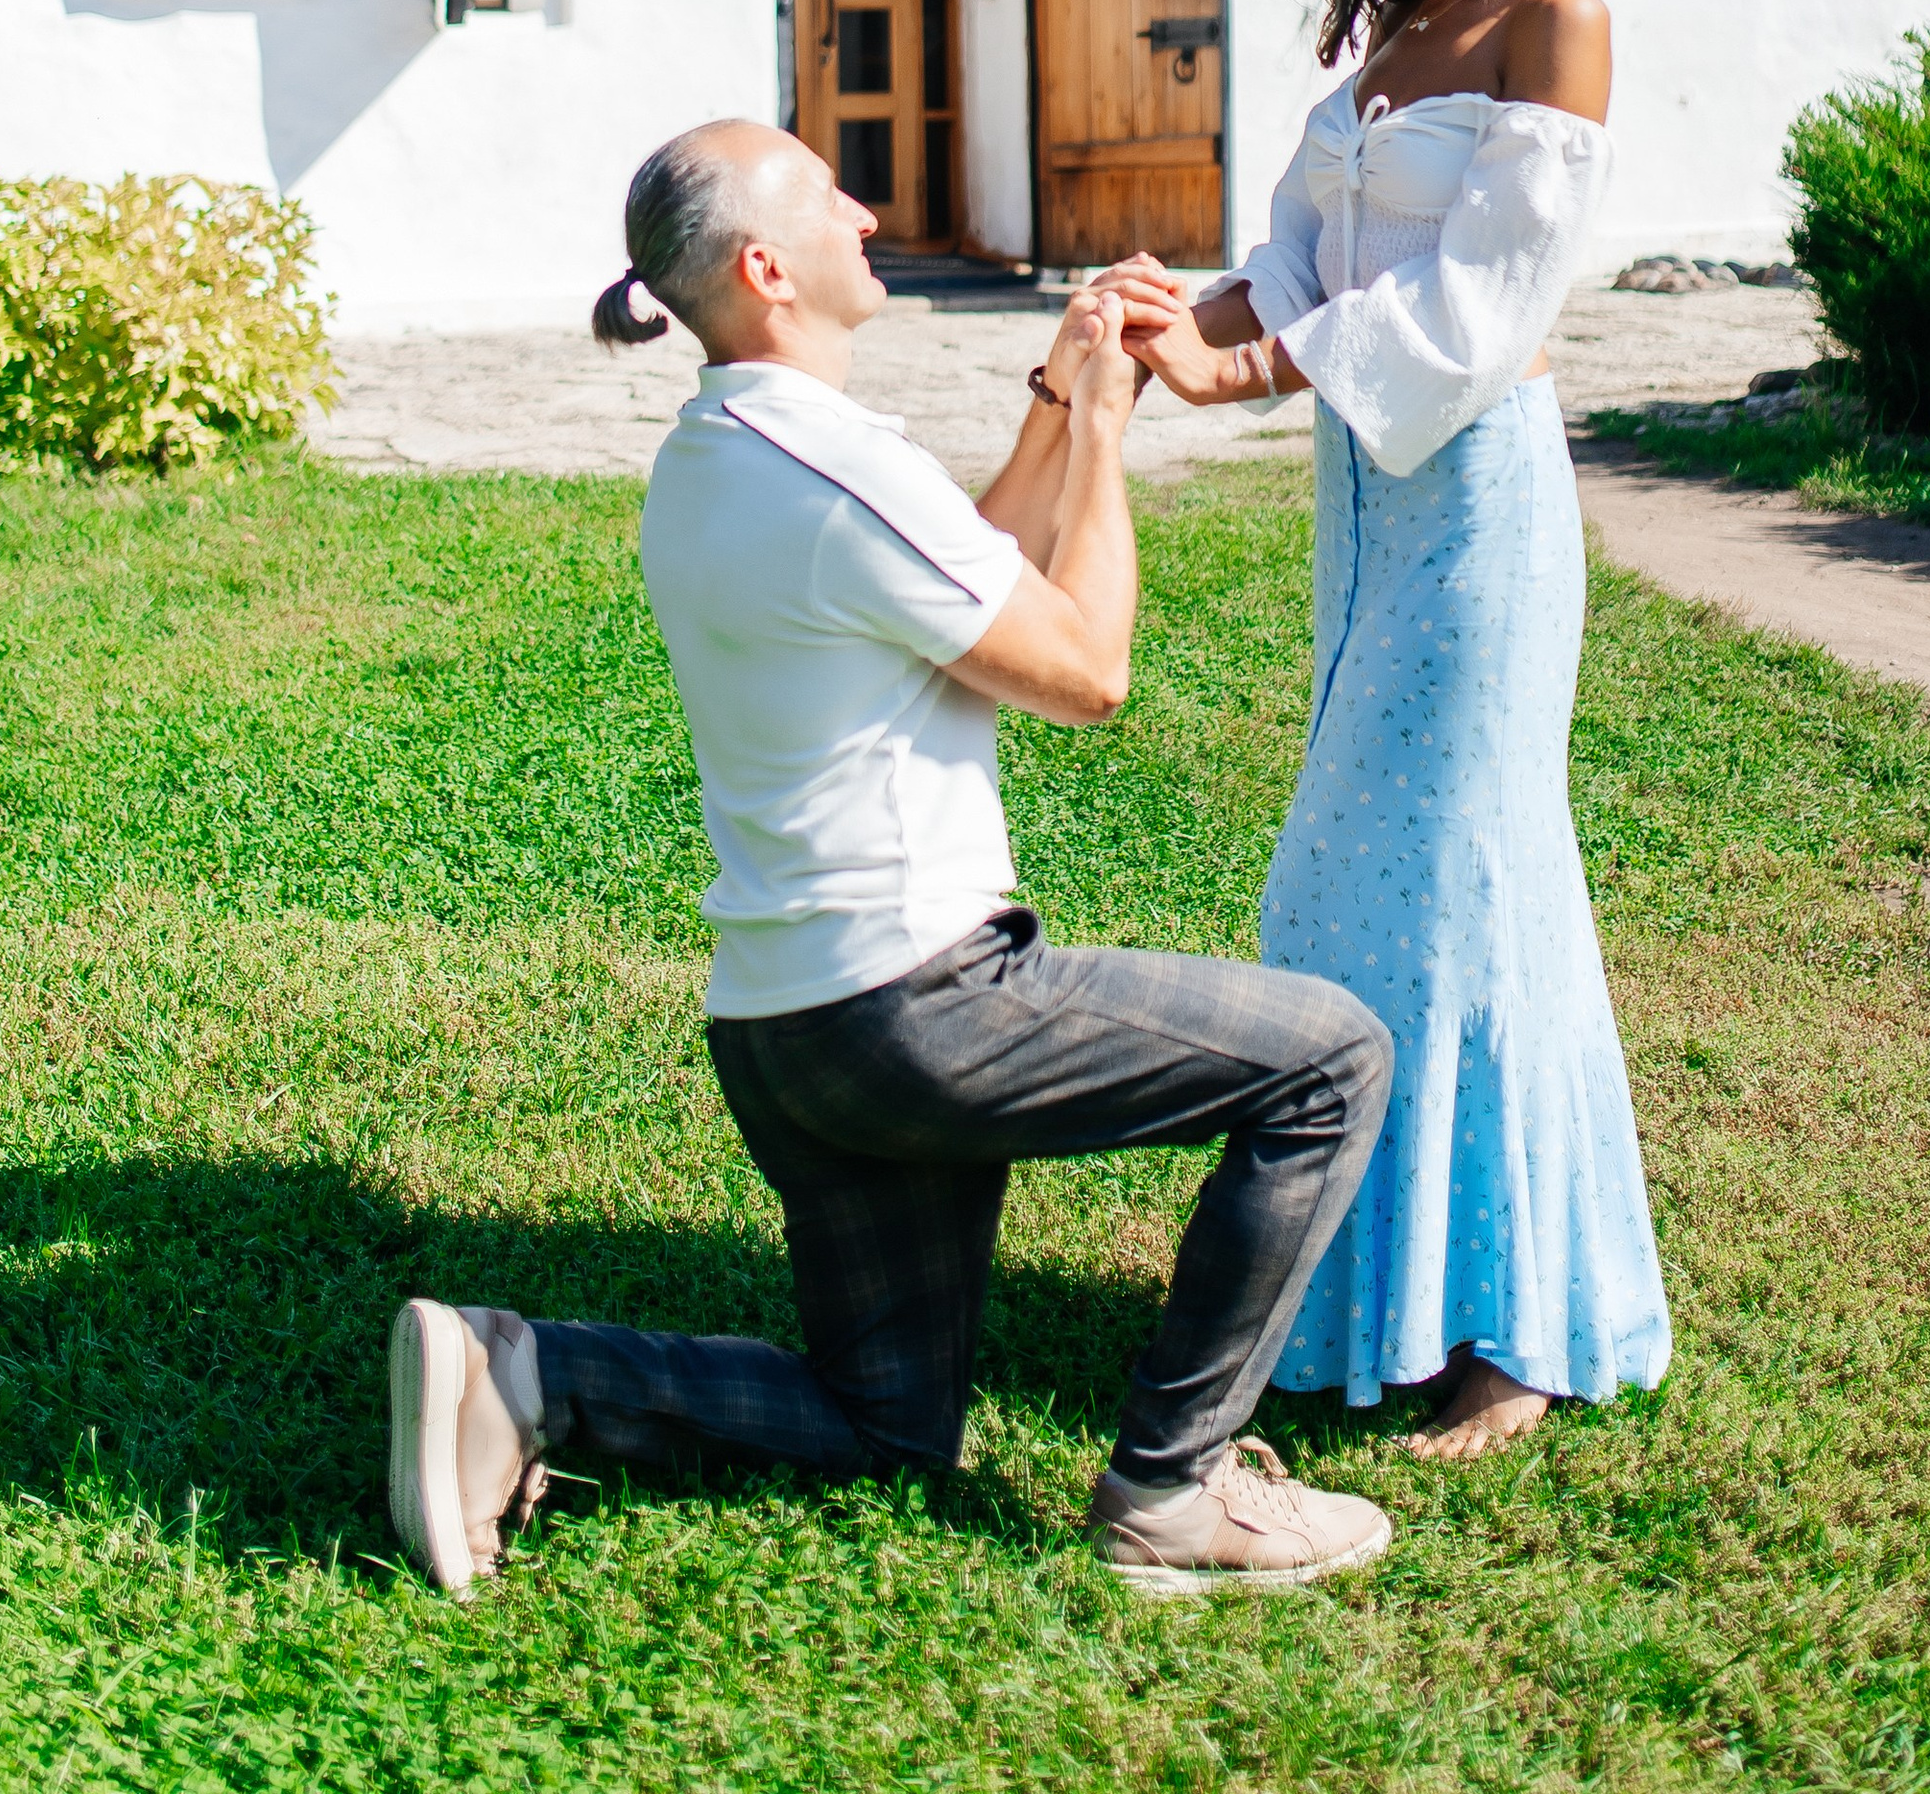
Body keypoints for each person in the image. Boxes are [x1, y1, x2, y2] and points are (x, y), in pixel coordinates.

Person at [389, 120, 1397, 1597]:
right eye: (827, 197)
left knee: (883, 1426)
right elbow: (1079, 669)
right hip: (923, 1010)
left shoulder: (720, 453)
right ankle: (1176, 1493)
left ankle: (522, 1375)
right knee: (1331, 1059)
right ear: (765, 266)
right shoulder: (835, 467)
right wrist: (1108, 432)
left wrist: (1058, 393)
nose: (864, 210)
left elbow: (957, 592)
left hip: (789, 1037)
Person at [1096, 0, 1672, 1463]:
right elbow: (1289, 263)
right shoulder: (1392, 43)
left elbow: (1486, 311)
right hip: (1368, 510)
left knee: (1463, 877)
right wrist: (1161, 315)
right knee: (1358, 880)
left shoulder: (1553, 25)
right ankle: (1361, 1295)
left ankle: (1515, 1329)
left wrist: (1247, 374)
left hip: (1480, 500)